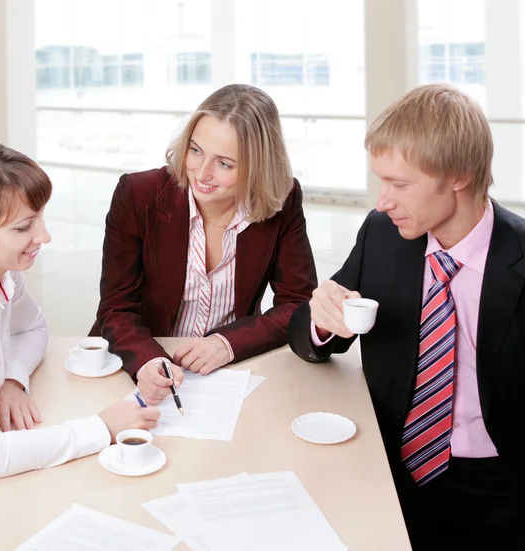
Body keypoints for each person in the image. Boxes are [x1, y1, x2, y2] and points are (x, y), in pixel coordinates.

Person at [288, 83, 524, 550]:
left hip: (500, 487)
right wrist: (320, 318)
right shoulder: (383, 235)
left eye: (400, 184)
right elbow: (312, 337)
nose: (383, 201)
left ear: (458, 175)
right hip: (389, 468)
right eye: (381, 181)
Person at [0, 137, 160, 551]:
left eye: (40, 219)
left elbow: (33, 328)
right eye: (23, 227)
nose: (45, 236)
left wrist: (11, 381)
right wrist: (102, 427)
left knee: (83, 493)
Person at [90, 83, 317, 405]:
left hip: (227, 367)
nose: (202, 173)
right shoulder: (138, 194)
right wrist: (149, 361)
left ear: (259, 168)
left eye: (225, 163)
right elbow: (116, 306)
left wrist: (226, 344)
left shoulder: (285, 198)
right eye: (195, 151)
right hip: (140, 360)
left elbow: (297, 303)